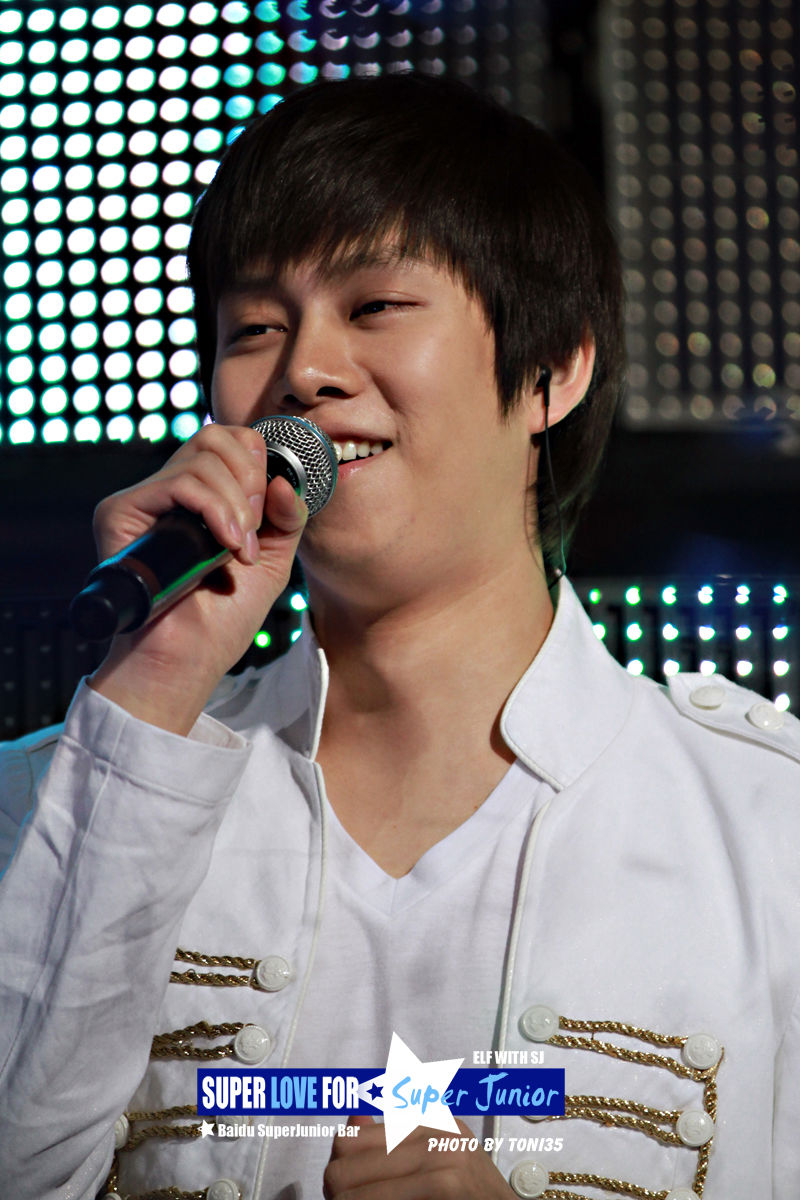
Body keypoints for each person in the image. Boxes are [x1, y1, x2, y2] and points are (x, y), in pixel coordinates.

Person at [0, 73, 798, 1200]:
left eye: (374, 306)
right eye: (254, 327)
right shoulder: (51, 810)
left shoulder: (768, 829)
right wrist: (155, 686)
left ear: (552, 370)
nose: (303, 371)